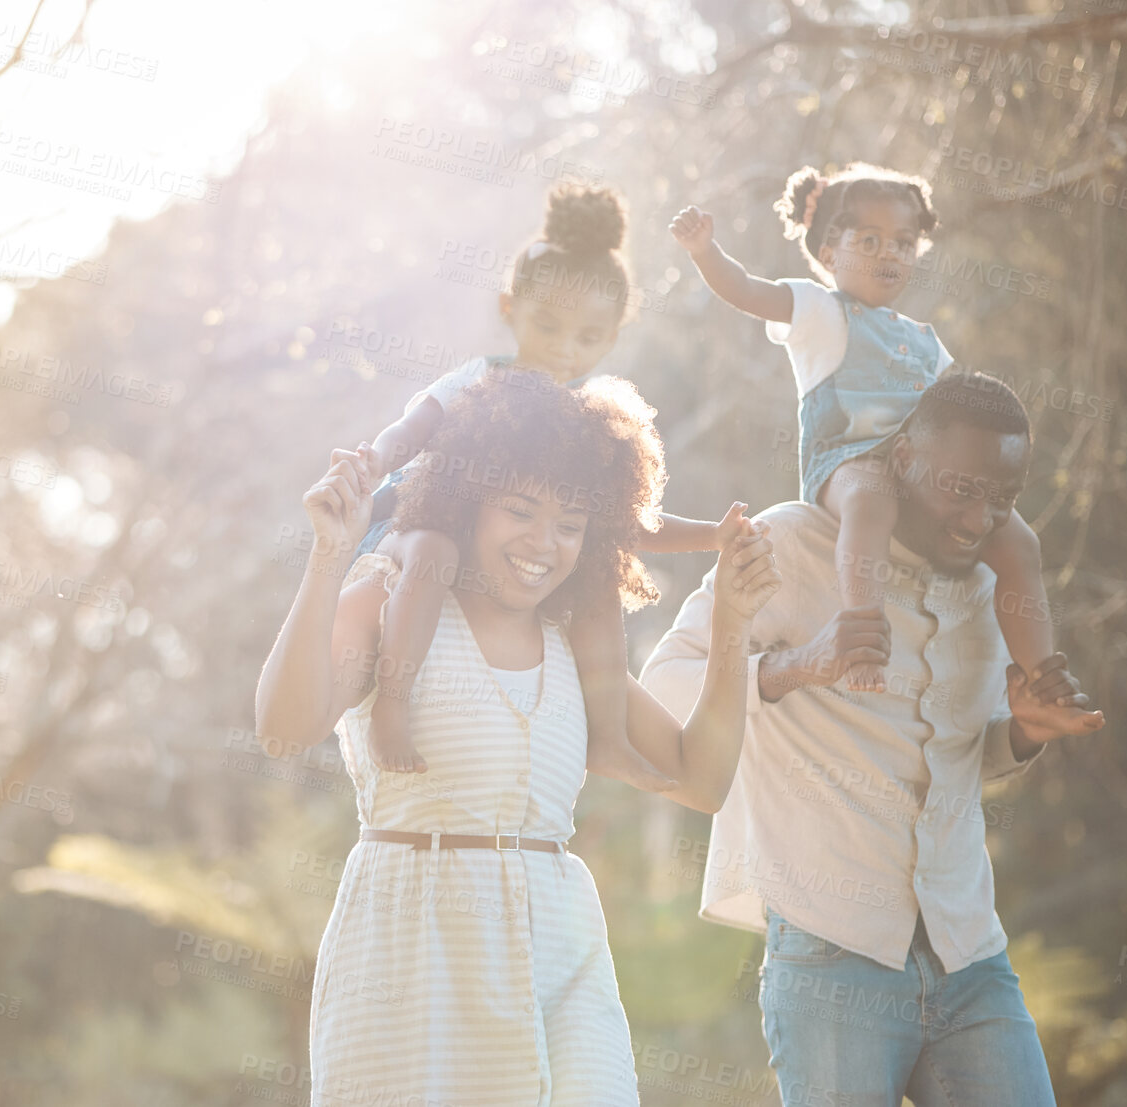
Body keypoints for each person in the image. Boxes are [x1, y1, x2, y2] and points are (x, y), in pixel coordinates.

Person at [255, 374, 780, 1105]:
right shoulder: (389, 595)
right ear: (468, 499)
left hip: (561, 953)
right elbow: (284, 729)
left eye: (571, 522)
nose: (545, 543)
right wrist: (328, 557)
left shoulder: (572, 646)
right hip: (415, 957)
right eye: (521, 511)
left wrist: (734, 621)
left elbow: (700, 778)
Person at [640, 372, 1106, 1107]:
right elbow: (661, 686)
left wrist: (1023, 733)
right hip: (831, 958)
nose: (978, 518)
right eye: (959, 487)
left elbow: (956, 755)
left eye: (1002, 499)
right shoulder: (791, 541)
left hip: (969, 955)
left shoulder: (991, 588)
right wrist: (796, 666)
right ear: (900, 461)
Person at [357, 184, 743, 791]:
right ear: (510, 305)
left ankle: (609, 740)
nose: (565, 349)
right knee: (433, 552)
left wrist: (713, 537)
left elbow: (625, 520)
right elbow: (411, 430)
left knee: (598, 577)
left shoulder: (583, 419)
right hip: (414, 525)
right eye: (548, 325)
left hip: (501, 557)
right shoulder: (480, 378)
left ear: (616, 334)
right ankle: (391, 706)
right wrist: (369, 462)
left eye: (588, 338)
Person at [671, 164, 1090, 721]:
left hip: (914, 469)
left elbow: (955, 416)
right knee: (871, 501)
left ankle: (1042, 678)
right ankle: (864, 635)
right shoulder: (820, 311)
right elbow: (747, 291)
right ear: (827, 251)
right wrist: (705, 251)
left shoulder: (922, 339)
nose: (888, 253)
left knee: (1018, 540)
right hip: (846, 462)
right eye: (869, 240)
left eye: (903, 242)